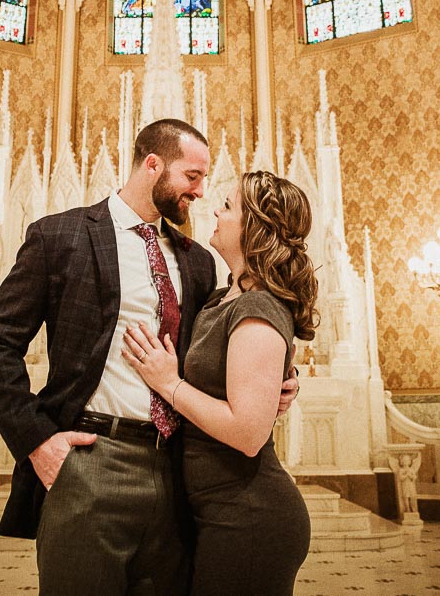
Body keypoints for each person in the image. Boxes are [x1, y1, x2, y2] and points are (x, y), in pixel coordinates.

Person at [0, 120, 296, 595]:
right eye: (192, 176)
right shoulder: (59, 236)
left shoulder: (197, 260)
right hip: (90, 461)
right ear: (153, 165)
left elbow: (221, 346)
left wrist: (276, 382)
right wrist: (37, 442)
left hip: (176, 470)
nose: (200, 191)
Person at [125, 171, 318, 596]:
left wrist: (168, 383)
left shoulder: (257, 307)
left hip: (248, 514)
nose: (214, 209)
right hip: (214, 510)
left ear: (255, 227)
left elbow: (248, 434)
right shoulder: (220, 298)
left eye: (228, 206)